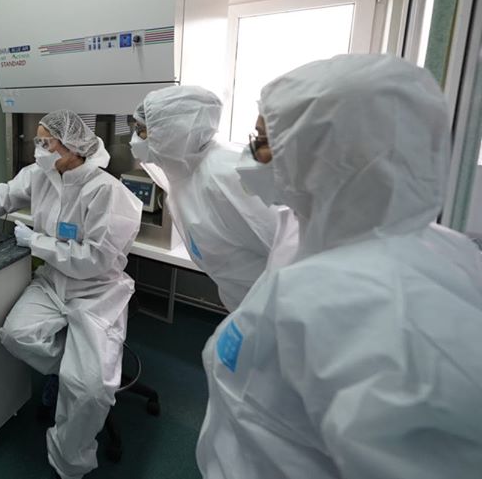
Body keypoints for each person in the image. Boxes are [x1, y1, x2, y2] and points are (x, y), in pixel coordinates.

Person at [197, 54, 482, 478]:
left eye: (264, 140)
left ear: (326, 153)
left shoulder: (393, 315)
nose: (252, 154)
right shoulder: (308, 231)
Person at [0, 110, 142, 479]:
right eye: (37, 140)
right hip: (53, 283)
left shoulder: (107, 193)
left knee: (91, 391)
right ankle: (69, 373)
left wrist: (37, 241)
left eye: (45, 142)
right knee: (16, 335)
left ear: (71, 147)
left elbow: (96, 261)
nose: (38, 149)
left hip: (96, 292)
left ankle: (68, 464)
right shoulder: (41, 175)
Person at [130, 86, 278, 310]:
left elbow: (285, 249)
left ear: (172, 132)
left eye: (142, 130)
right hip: (246, 304)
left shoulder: (226, 175)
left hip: (277, 306)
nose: (135, 138)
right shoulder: (181, 173)